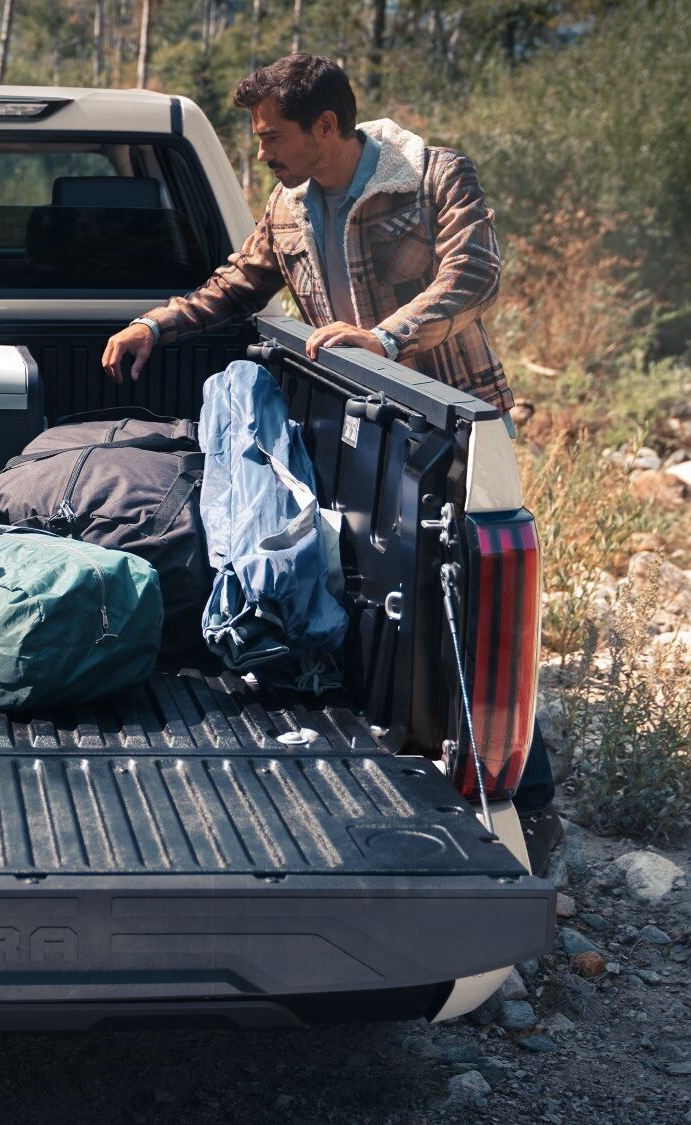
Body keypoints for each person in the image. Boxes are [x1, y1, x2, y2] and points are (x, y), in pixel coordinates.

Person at [101, 53, 561, 875]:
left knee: (472, 612)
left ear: (325, 126)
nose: (262, 152)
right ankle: (399, 749)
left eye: (272, 136)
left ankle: (528, 804)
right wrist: (158, 324)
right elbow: (238, 284)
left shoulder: (432, 176)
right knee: (379, 592)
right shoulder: (289, 204)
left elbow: (475, 273)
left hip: (451, 427)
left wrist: (386, 339)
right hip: (356, 424)